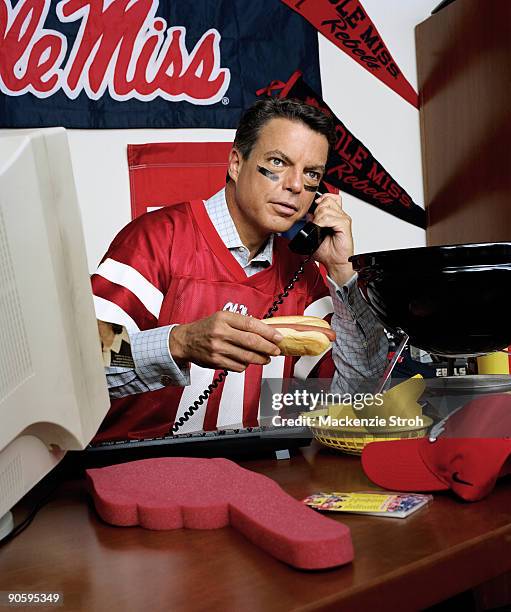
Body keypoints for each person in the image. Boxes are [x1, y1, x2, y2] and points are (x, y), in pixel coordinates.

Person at [91, 98, 389, 441]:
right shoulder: (157, 238)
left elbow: (354, 398)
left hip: (251, 472)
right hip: (137, 469)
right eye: (278, 162)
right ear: (236, 163)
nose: (294, 185)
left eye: (311, 174)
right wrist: (179, 342)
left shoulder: (302, 274)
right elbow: (88, 360)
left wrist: (341, 271)